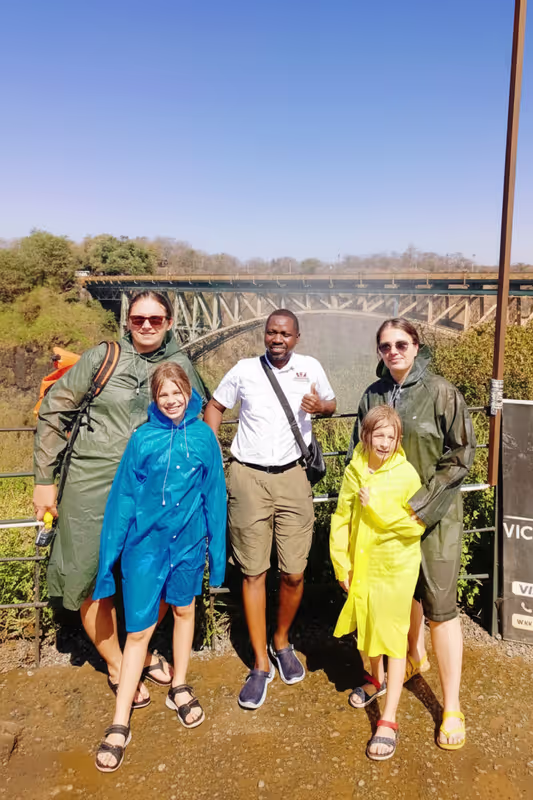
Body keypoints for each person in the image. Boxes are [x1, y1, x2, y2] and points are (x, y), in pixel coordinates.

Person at [32, 291, 208, 706]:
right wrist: (44, 479)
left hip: (153, 491)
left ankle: (138, 651)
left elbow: (196, 421)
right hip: (93, 482)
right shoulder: (101, 357)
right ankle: (118, 662)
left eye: (155, 318)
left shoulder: (180, 365)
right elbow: (55, 411)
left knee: (155, 572)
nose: (146, 325)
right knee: (89, 574)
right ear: (127, 320)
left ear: (168, 321)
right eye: (137, 318)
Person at [93, 362, 226, 773]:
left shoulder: (204, 438)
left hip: (188, 544)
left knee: (185, 610)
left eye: (177, 392)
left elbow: (215, 498)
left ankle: (179, 685)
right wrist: (107, 561)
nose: (171, 400)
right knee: (138, 633)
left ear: (189, 394)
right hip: (145, 548)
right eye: (163, 394)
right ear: (154, 398)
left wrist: (216, 560)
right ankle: (119, 721)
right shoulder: (142, 439)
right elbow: (122, 501)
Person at [350, 318, 476, 750]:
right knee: (398, 598)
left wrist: (420, 507)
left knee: (440, 606)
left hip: (434, 518)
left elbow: (461, 455)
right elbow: (357, 457)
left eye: (400, 343)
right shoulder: (373, 395)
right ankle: (412, 658)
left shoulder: (441, 391)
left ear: (416, 344)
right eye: (385, 346)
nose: (393, 352)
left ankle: (452, 706)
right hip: (384, 522)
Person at [204, 309, 336, 709]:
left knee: (294, 572)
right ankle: (260, 662)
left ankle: (281, 640)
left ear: (297, 337)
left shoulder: (309, 366)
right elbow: (214, 407)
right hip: (248, 477)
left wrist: (321, 407)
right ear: (265, 335)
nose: (277, 338)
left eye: (285, 333)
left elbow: (331, 403)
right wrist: (212, 453)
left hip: (294, 476)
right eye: (271, 332)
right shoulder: (244, 369)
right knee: (253, 572)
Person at [331, 405, 425, 760]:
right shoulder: (355, 469)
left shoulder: (406, 475)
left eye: (391, 436)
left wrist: (377, 511)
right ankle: (377, 679)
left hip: (395, 568)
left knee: (393, 636)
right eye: (378, 435)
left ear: (398, 439)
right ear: (365, 436)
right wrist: (342, 564)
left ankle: (388, 719)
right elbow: (342, 517)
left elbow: (414, 526)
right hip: (362, 564)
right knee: (367, 628)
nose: (384, 443)